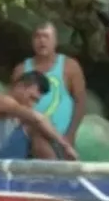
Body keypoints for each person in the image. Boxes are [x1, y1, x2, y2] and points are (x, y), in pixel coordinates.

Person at [0, 71, 78, 160]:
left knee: (41, 130)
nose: (31, 104)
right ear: (20, 87)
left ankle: (55, 171)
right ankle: (57, 176)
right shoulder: (1, 100)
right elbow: (37, 119)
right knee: (33, 126)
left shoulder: (15, 115)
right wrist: (65, 146)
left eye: (36, 101)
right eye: (31, 98)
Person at [10, 23, 87, 158]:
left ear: (55, 41)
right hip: (27, 137)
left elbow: (80, 102)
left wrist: (71, 134)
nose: (42, 41)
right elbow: (12, 104)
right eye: (37, 37)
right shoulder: (21, 70)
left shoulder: (70, 66)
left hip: (61, 137)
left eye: (46, 36)